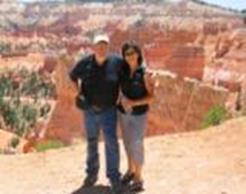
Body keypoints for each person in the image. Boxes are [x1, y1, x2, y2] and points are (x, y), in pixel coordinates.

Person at [69, 33, 123, 193]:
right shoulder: (84, 63)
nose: (101, 48)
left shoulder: (116, 62)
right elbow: (72, 76)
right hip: (90, 110)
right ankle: (91, 175)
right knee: (92, 142)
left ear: (108, 46)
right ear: (93, 47)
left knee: (111, 143)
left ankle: (113, 177)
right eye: (98, 45)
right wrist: (78, 93)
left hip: (109, 110)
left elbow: (130, 72)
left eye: (104, 44)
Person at [118, 41, 155, 192]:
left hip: (139, 114)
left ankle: (139, 178)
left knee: (137, 144)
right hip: (123, 112)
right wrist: (121, 100)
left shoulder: (144, 74)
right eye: (127, 54)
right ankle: (130, 170)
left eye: (133, 53)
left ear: (138, 54)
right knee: (127, 143)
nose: (130, 56)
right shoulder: (124, 71)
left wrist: (132, 103)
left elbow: (151, 98)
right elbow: (118, 88)